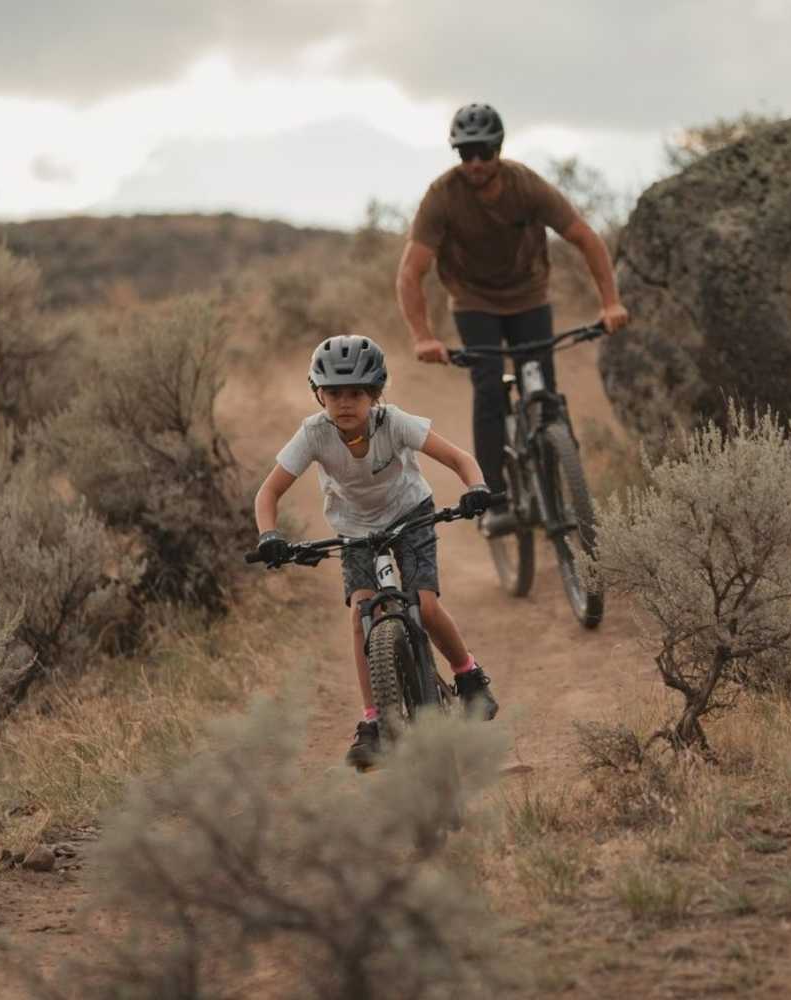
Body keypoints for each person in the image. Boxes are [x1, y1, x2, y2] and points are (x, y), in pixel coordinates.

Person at [253, 334, 500, 769]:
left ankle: (468, 675)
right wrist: (269, 534)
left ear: (376, 393)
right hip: (355, 531)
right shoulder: (313, 434)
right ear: (318, 393)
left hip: (411, 515)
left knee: (424, 604)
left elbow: (460, 458)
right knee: (361, 612)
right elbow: (268, 493)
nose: (344, 403)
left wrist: (476, 487)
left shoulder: (396, 422)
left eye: (356, 393)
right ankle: (372, 722)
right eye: (333, 393)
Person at [396, 101, 629, 532]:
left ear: (499, 148)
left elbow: (585, 238)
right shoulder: (443, 196)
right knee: (488, 388)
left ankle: (564, 477)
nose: (477, 163)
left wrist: (610, 302)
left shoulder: (526, 185)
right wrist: (422, 335)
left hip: (529, 296)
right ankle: (497, 499)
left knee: (543, 388)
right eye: (466, 154)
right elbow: (412, 271)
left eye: (484, 151)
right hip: (473, 301)